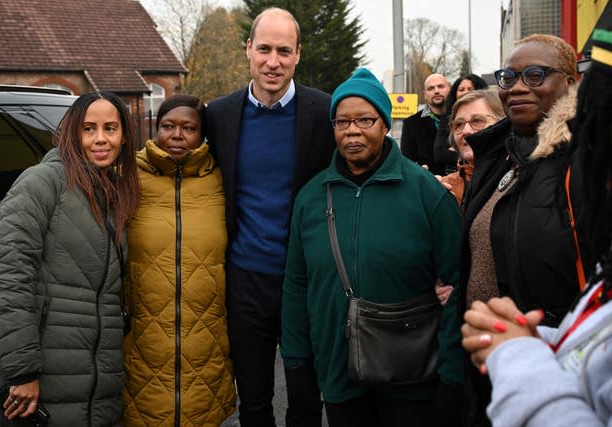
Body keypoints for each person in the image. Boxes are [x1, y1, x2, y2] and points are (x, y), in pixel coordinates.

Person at [281, 68, 463, 427]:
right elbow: (296, 286)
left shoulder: (426, 192)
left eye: (365, 119)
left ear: (384, 124)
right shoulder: (312, 197)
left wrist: (453, 375)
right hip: (338, 373)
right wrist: (297, 363)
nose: (352, 130)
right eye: (342, 121)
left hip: (413, 377)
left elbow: (458, 283)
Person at [461, 30, 612, 426]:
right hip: (498, 358)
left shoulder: (587, 162)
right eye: (508, 78)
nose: (516, 89)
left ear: (571, 81)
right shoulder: (497, 157)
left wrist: (533, 344)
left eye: (535, 75)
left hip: (561, 372)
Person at [0, 92, 140, 426]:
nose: (101, 139)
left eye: (111, 128)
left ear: (124, 136)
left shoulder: (114, 193)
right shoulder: (42, 182)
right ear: (72, 133)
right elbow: (9, 277)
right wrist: (22, 372)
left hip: (93, 377)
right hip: (38, 374)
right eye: (89, 129)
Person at [205, 7, 335, 427]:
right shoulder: (220, 115)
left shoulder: (324, 111)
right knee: (255, 402)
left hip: (304, 279)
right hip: (245, 278)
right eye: (264, 49)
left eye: (283, 50)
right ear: (249, 50)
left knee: (304, 401)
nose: (272, 61)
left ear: (298, 54)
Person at [121, 95, 236, 426]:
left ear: (203, 134)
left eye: (189, 128)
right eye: (168, 126)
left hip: (208, 332)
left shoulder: (222, 180)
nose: (177, 135)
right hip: (143, 333)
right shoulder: (128, 176)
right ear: (156, 130)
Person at [439, 90, 505, 208]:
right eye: (459, 124)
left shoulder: (523, 180)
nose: (465, 131)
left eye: (477, 121)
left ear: (503, 124)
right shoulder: (445, 187)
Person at [433, 74, 488, 174]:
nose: (465, 93)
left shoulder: (489, 115)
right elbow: (439, 154)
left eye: (470, 89)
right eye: (461, 89)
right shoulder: (447, 118)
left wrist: (456, 149)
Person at [400, 73, 451, 175]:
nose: (436, 91)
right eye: (431, 88)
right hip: (428, 185)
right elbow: (407, 162)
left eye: (440, 86)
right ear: (425, 95)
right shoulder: (411, 124)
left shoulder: (461, 118)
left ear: (450, 89)